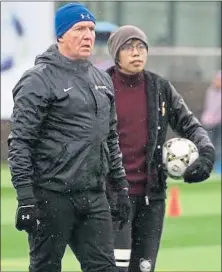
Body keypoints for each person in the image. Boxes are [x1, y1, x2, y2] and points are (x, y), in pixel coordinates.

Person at [7, 3, 131, 272]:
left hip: (94, 197)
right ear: (61, 34)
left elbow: (110, 138)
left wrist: (120, 187)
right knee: (46, 267)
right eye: (79, 29)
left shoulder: (102, 79)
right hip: (51, 197)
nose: (88, 35)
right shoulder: (37, 80)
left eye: (91, 29)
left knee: (104, 268)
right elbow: (20, 143)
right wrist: (26, 198)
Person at [106, 25, 215, 272]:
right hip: (112, 198)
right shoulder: (101, 87)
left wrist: (206, 154)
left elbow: (189, 124)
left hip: (151, 199)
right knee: (115, 269)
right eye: (128, 47)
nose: (136, 53)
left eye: (141, 47)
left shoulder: (159, 87)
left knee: (143, 269)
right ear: (116, 53)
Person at [201, 71, 221, 173]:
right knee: (209, 146)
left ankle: (218, 168)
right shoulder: (210, 91)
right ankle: (209, 167)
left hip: (219, 123)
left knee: (218, 146)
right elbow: (210, 107)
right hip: (209, 123)